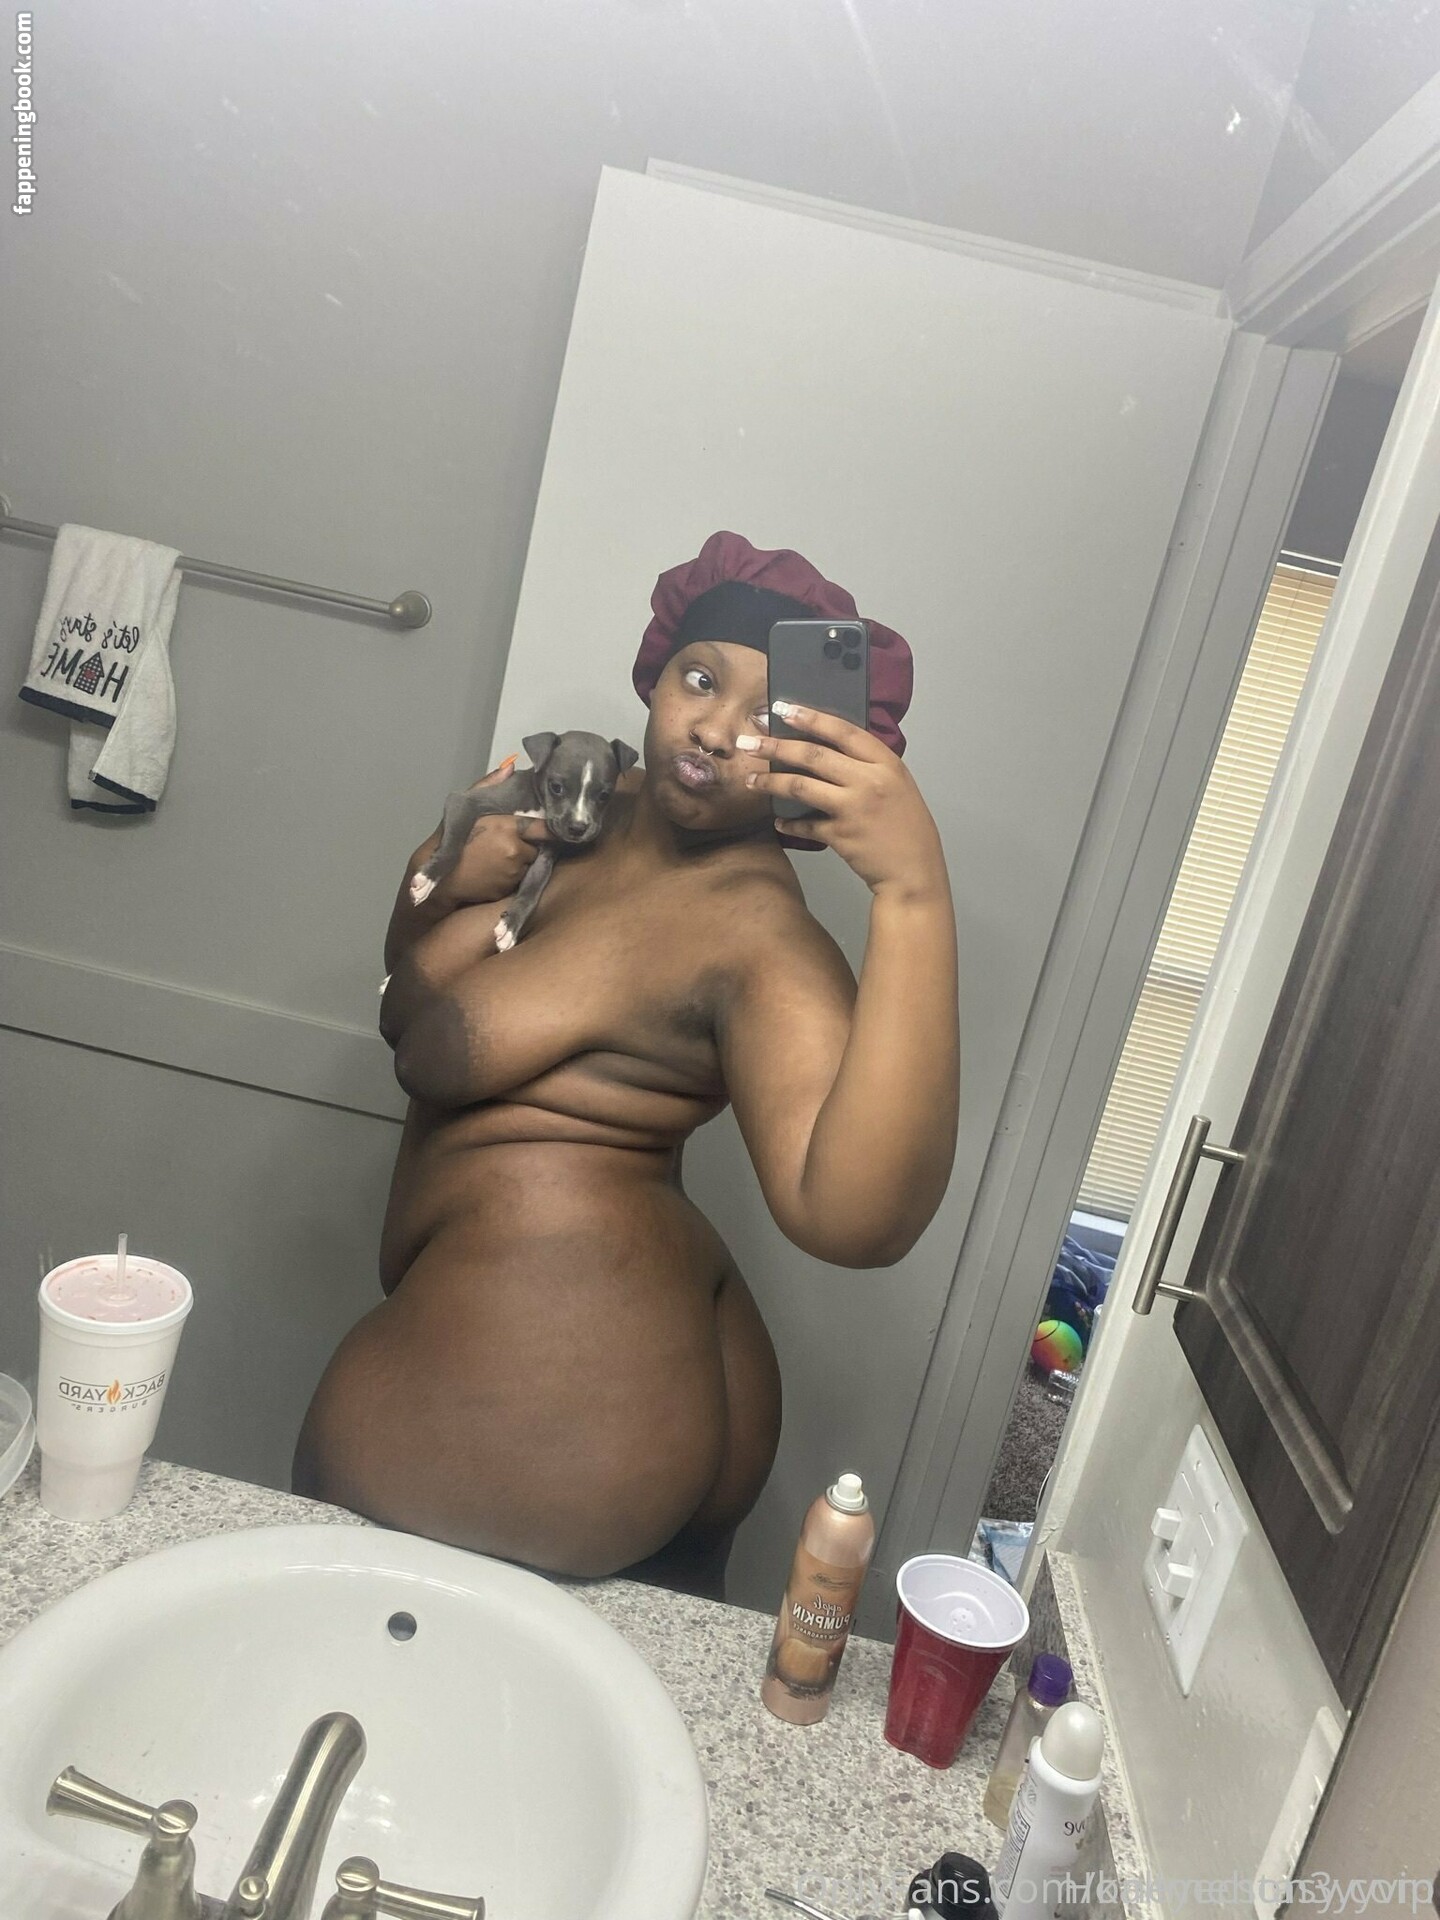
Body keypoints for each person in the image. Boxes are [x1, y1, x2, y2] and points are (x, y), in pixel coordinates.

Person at [293, 531, 960, 1599]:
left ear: (816, 754)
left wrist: (914, 896)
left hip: (562, 1391)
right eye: (701, 679)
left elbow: (855, 1221)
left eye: (770, 719)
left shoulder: (756, 932)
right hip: (585, 1366)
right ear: (659, 669)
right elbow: (410, 1001)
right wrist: (444, 872)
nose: (718, 727)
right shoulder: (578, 803)